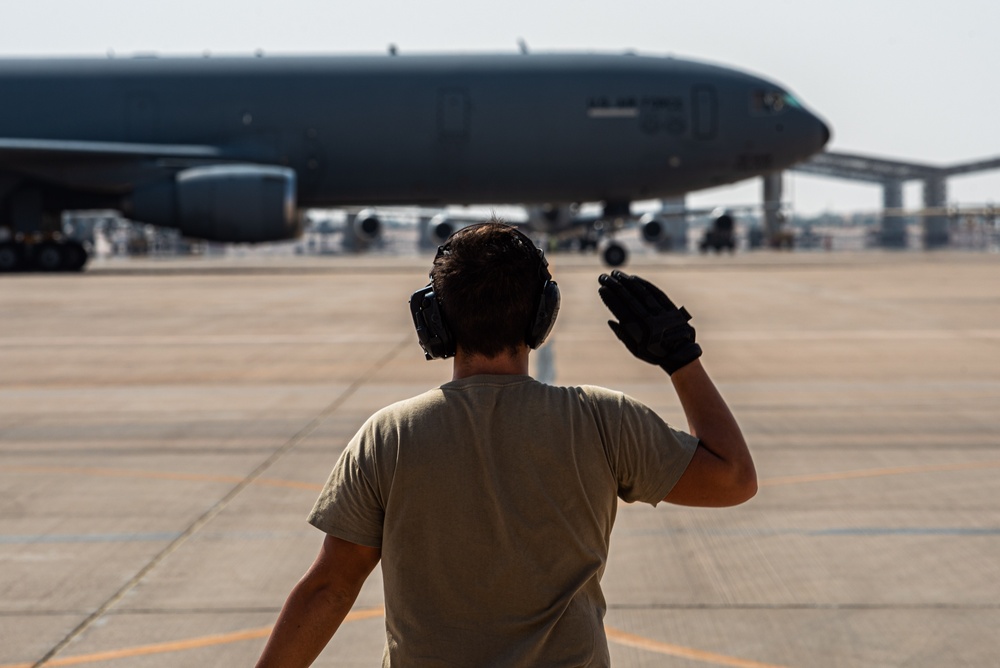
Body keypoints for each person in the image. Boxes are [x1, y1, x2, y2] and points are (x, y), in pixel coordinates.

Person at [255, 221, 756, 667]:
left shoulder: (390, 435)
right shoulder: (603, 420)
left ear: (434, 320)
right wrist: (681, 358)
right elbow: (734, 479)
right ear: (543, 317)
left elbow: (330, 587)